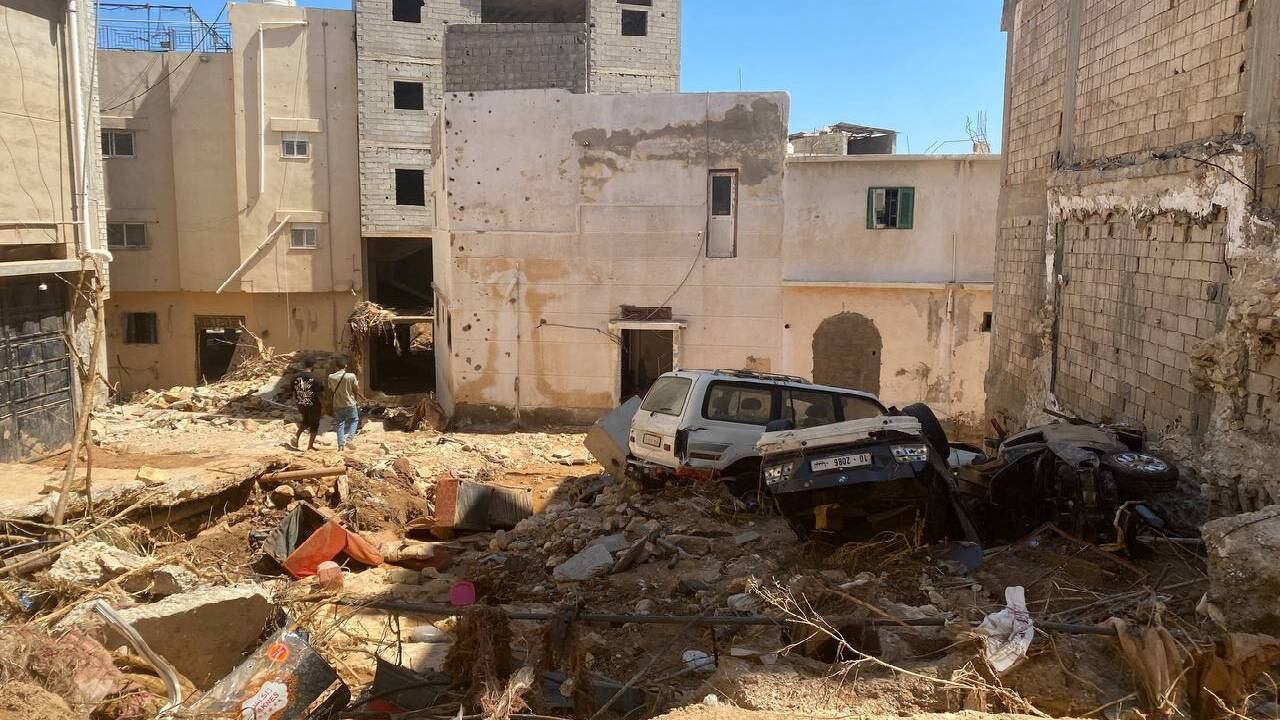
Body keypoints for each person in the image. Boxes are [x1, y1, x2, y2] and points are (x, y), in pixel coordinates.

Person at [290, 357, 325, 451]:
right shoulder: (316, 378)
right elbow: (319, 394)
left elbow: (294, 392)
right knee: (314, 425)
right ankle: (310, 446)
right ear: (313, 366)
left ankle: (296, 436)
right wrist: (323, 406)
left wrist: (296, 403)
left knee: (305, 421)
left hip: (301, 403)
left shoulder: (295, 377)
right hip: (314, 405)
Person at [327, 356, 361, 451]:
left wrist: (329, 402)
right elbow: (355, 389)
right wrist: (356, 400)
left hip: (337, 404)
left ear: (336, 366)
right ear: (346, 365)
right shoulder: (351, 376)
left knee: (340, 424)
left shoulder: (331, 377)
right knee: (354, 420)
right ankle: (349, 439)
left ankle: (340, 446)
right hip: (350, 403)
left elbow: (330, 391)